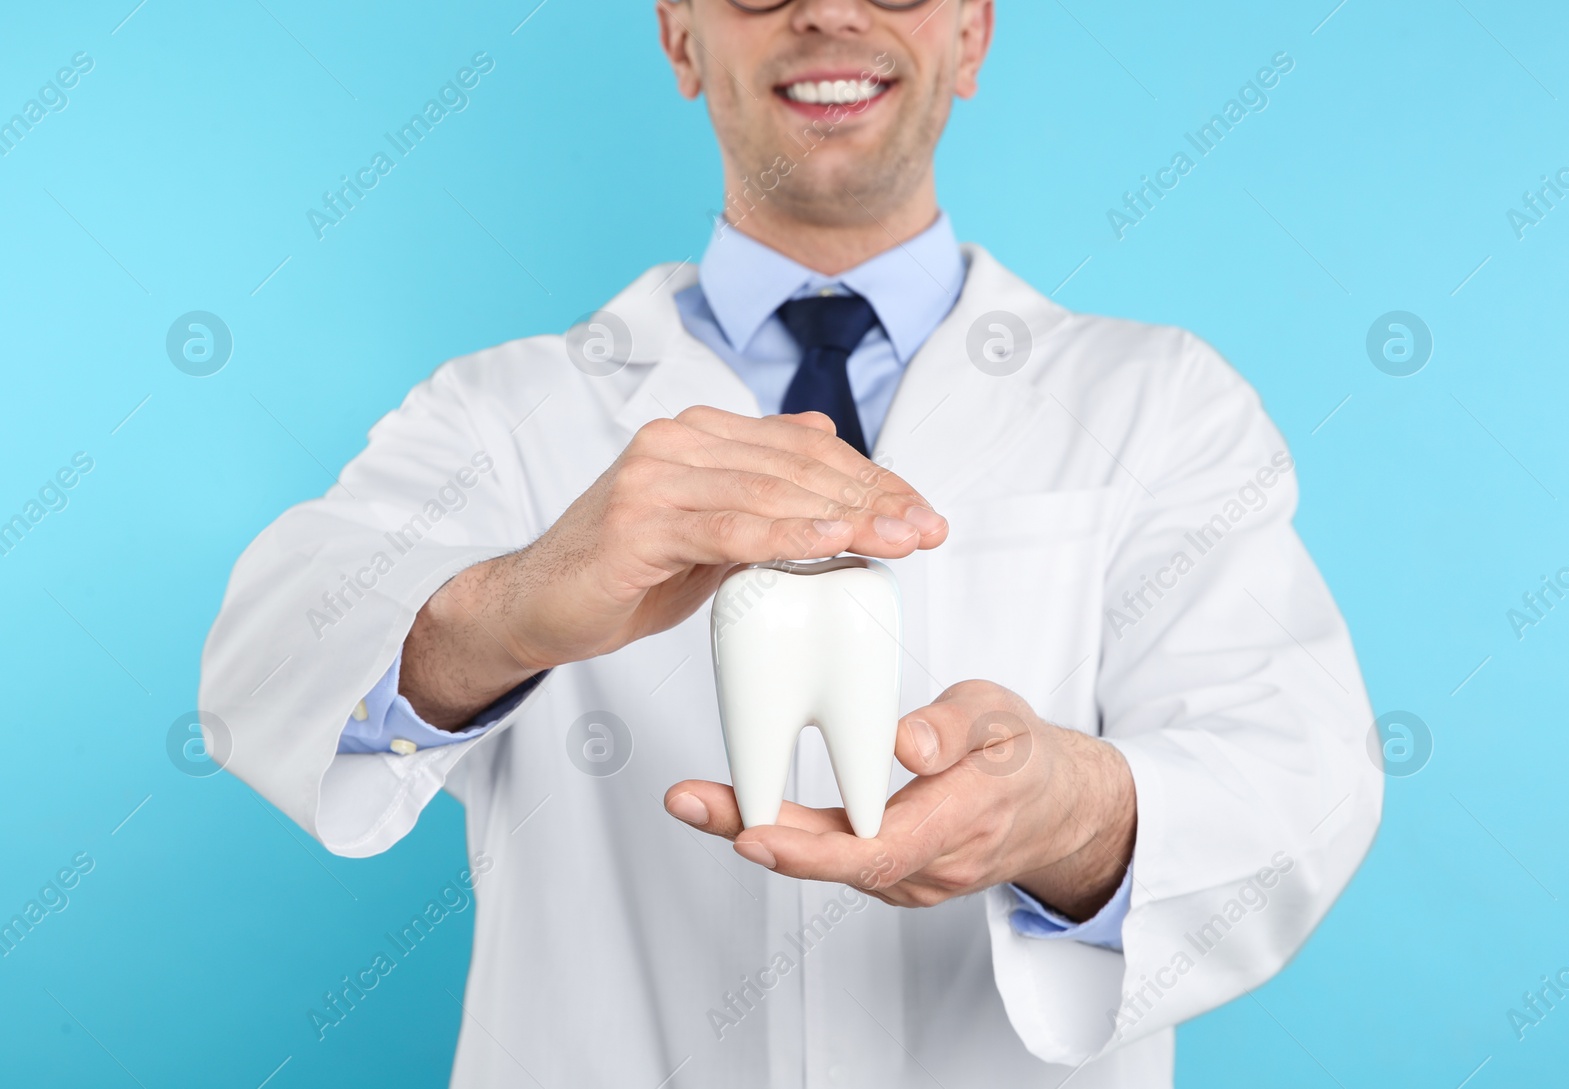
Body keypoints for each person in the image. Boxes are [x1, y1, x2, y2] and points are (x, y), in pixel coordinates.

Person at [200, 1, 1381, 1085]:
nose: (827, 9)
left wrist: (1072, 815)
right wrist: (511, 603)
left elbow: (1298, 775)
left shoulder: (1157, 401)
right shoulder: (500, 413)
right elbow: (271, 654)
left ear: (970, 36)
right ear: (679, 38)